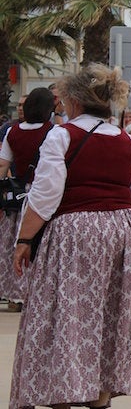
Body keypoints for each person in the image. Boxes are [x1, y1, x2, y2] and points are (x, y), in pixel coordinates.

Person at [8, 64, 131, 409]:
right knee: (111, 315)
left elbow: (45, 196)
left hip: (76, 232)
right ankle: (100, 396)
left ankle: (62, 393)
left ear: (74, 100)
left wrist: (24, 240)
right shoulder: (128, 142)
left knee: (67, 313)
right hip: (125, 232)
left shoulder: (62, 136)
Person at [0, 88, 54, 313]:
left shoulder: (12, 132)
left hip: (17, 195)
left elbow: (2, 165)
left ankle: (13, 293)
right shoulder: (53, 131)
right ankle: (35, 293)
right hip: (42, 195)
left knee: (12, 243)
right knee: (39, 245)